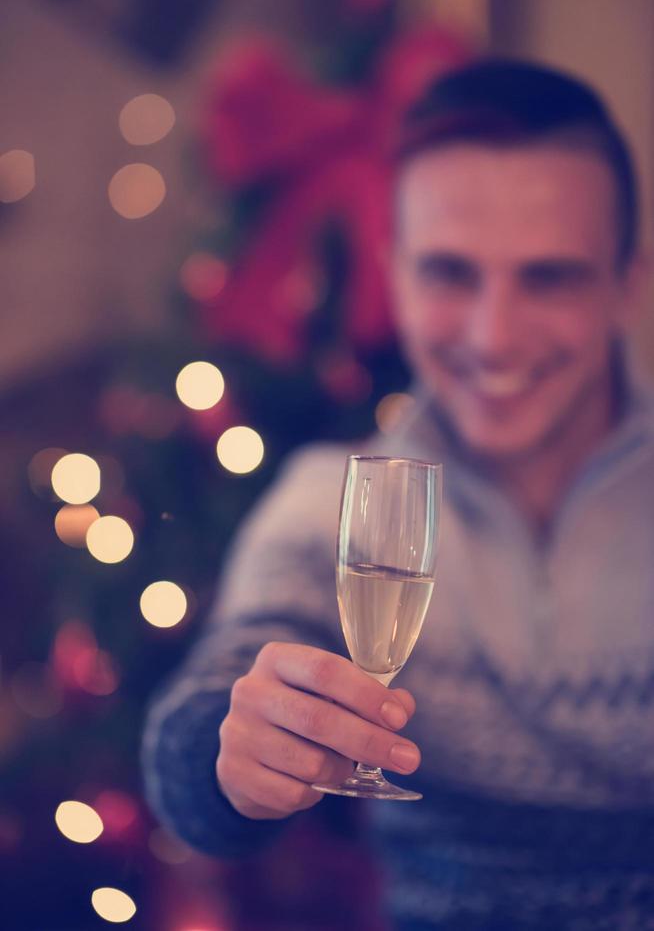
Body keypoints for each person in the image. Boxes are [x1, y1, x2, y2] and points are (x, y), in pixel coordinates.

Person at [143, 58, 654, 929]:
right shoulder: (327, 503)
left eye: (549, 277)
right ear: (397, 273)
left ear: (629, 284)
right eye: (450, 274)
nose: (495, 337)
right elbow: (204, 712)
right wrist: (232, 752)